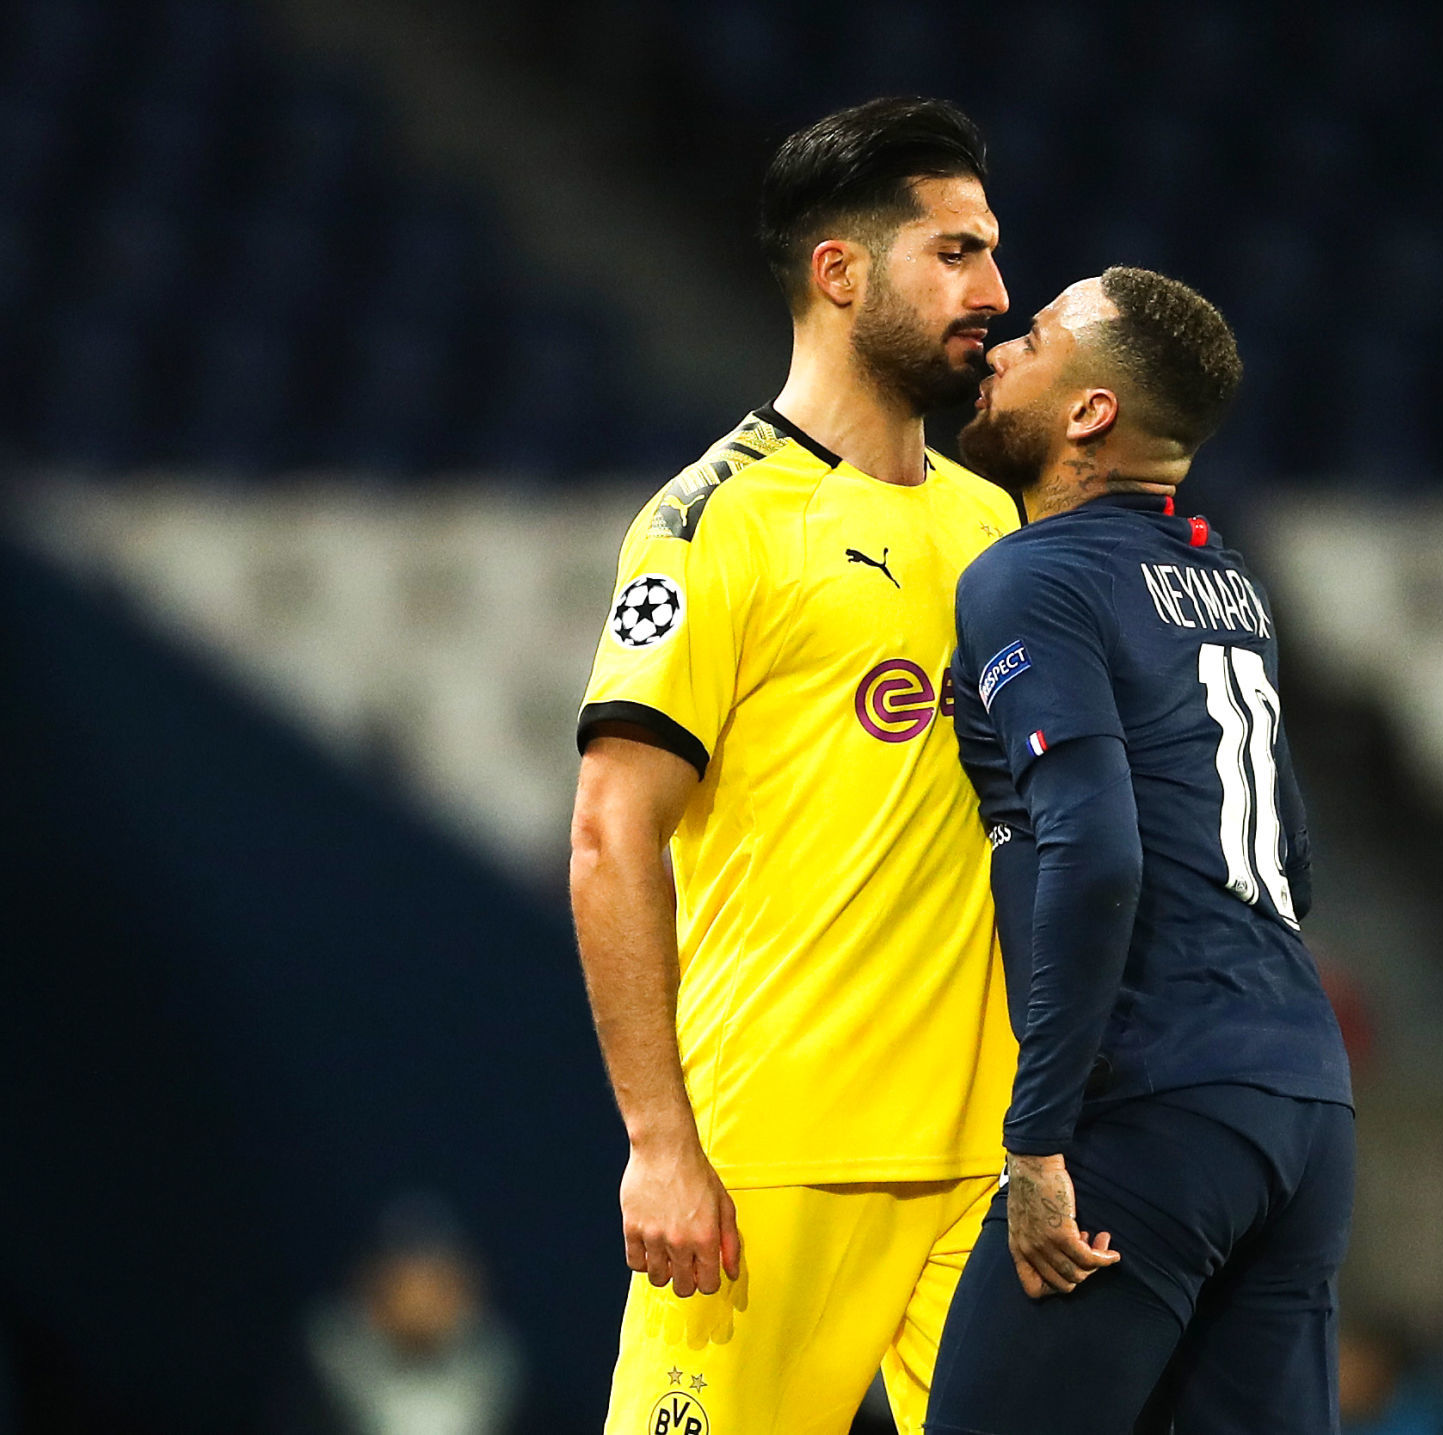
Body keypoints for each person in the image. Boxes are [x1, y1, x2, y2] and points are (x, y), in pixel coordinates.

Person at [569, 97, 1021, 1434]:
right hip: (775, 1159)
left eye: (993, 251)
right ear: (840, 272)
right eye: (955, 253)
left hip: (986, 1167)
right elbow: (609, 831)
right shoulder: (717, 523)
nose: (996, 290)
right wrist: (661, 1141)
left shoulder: (995, 520)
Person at [928, 267, 1355, 1433]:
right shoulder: (1224, 584)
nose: (1003, 346)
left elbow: (1097, 849)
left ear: (1088, 415)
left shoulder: (1031, 573)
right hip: (1302, 1105)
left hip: (1151, 1100)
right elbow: (1294, 861)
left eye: (1040, 337)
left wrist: (1039, 1137)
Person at [276, 1194, 522, 1435]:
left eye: (436, 1281)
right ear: (371, 1283)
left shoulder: (494, 1362)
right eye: (406, 1282)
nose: (422, 1301)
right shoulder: (326, 1356)